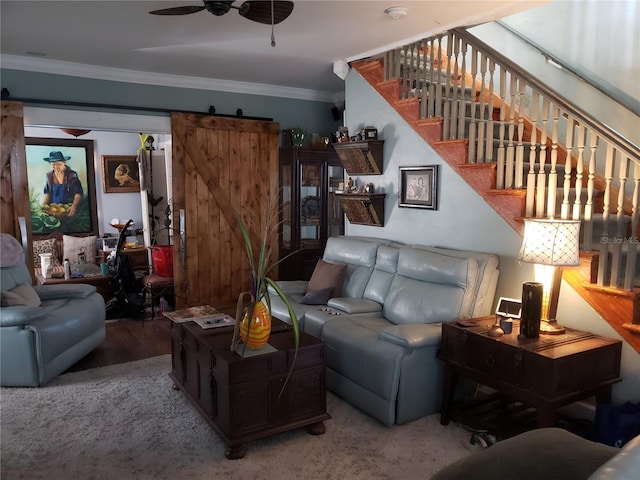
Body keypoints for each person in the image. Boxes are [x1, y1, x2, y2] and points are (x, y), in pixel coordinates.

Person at [41, 151, 83, 217]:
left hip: (68, 208)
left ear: (64, 162)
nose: (56, 167)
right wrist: (42, 207)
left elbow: (78, 193)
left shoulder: (71, 175)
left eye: (58, 164)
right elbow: (47, 193)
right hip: (54, 208)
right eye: (53, 165)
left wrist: (74, 207)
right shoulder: (49, 175)